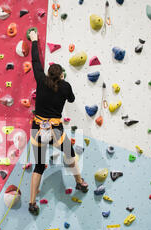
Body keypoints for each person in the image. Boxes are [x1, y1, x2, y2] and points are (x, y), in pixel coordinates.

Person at [28, 30, 88, 216]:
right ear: (61, 75)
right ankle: (79, 182)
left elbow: (35, 62)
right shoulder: (64, 86)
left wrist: (34, 41)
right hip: (55, 130)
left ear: (48, 74)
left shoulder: (41, 80)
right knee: (69, 153)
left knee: (39, 166)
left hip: (38, 129)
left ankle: (31, 203)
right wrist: (63, 84)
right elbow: (71, 99)